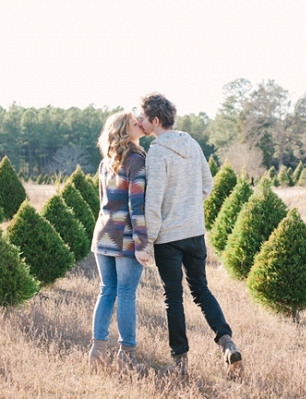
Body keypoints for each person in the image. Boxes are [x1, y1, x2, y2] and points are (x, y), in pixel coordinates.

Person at [137, 92, 243, 378]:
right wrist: (189, 207)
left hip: (169, 239)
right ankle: (226, 341)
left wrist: (146, 241)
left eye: (143, 118)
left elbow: (154, 201)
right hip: (195, 232)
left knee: (173, 297)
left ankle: (180, 362)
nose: (140, 122)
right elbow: (207, 184)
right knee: (201, 290)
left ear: (155, 121)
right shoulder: (192, 144)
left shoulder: (158, 152)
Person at [88, 111, 150, 373]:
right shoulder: (135, 160)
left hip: (103, 233)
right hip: (124, 236)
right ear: (126, 129)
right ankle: (127, 356)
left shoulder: (105, 162)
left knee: (107, 290)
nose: (140, 123)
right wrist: (142, 242)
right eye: (135, 122)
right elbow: (136, 206)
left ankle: (97, 352)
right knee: (125, 293)